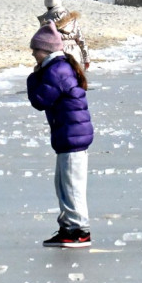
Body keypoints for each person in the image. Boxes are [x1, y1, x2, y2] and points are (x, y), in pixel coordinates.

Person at [27, 21, 94, 248]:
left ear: (45, 50)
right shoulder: (59, 67)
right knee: (63, 185)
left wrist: (33, 77)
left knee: (71, 186)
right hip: (69, 135)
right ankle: (68, 227)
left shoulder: (56, 70)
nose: (33, 54)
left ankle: (79, 230)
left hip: (72, 136)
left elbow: (39, 100)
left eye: (35, 50)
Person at [37, 0, 90, 69]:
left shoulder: (45, 21)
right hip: (74, 54)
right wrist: (86, 58)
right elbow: (81, 39)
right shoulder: (71, 17)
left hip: (56, 55)